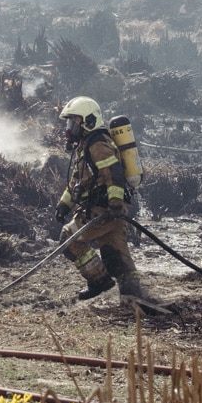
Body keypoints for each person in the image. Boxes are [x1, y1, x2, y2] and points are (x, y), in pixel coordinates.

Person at [54, 96, 164, 313]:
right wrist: (63, 205)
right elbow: (77, 182)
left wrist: (113, 203)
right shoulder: (86, 145)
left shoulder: (97, 144)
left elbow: (112, 174)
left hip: (102, 210)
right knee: (117, 256)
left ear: (88, 121)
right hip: (111, 211)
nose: (69, 129)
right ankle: (132, 298)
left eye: (73, 122)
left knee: (67, 240)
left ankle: (99, 280)